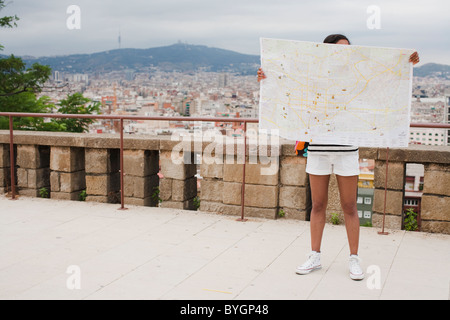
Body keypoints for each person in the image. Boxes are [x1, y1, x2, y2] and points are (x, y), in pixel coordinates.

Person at [258, 34, 420, 280]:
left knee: (350, 206)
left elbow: (382, 81)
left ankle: (354, 258)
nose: (344, 53)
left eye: (347, 49)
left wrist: (406, 64)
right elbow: (289, 85)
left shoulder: (355, 77)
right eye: (338, 49)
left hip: (347, 152)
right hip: (319, 150)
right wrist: (266, 76)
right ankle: (315, 255)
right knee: (318, 205)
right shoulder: (315, 77)